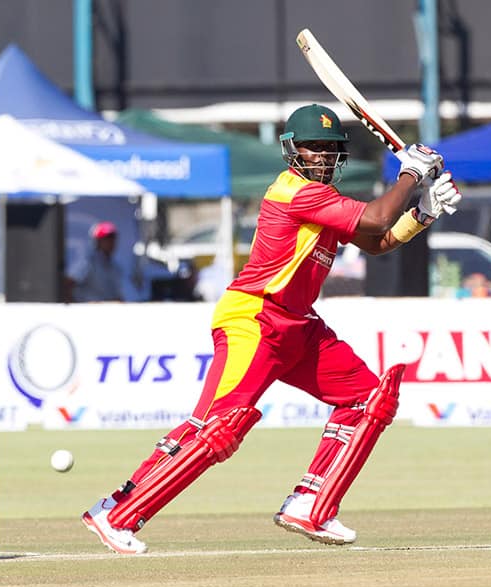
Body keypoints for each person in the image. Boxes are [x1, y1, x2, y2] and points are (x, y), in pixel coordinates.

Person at [82, 104, 462, 554]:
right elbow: (378, 218)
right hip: (255, 319)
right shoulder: (293, 190)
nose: (321, 156)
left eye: (329, 149)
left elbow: (376, 241)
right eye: (312, 147)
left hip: (299, 325)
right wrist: (410, 175)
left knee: (366, 400)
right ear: (292, 151)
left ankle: (311, 504)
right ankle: (118, 512)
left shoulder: (327, 201)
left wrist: (424, 212)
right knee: (218, 428)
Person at [65, 221, 126, 302]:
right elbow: (67, 285)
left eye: (112, 239)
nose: (111, 242)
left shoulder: (115, 267)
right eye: (106, 239)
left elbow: (118, 297)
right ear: (97, 241)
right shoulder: (88, 263)